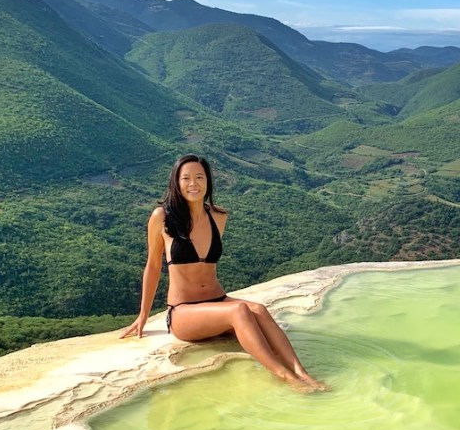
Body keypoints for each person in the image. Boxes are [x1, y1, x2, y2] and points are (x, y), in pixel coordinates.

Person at [121, 154, 327, 392]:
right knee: (239, 310)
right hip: (183, 311)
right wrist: (143, 315)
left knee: (258, 309)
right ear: (176, 183)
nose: (193, 184)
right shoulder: (163, 217)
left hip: (218, 301)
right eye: (186, 178)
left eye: (199, 177)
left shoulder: (218, 216)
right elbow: (153, 266)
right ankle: (285, 377)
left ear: (208, 181)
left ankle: (303, 373)